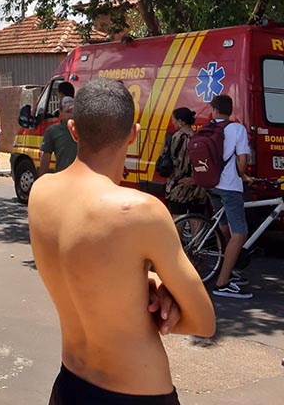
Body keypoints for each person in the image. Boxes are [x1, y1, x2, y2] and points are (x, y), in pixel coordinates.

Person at [29, 78, 214, 404]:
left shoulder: (41, 193)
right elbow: (202, 321)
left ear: (73, 129)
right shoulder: (140, 211)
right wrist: (161, 296)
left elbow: (91, 270)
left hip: (70, 383)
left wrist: (150, 279)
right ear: (133, 133)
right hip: (136, 392)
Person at [206, 95, 253, 298]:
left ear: (214, 110)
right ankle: (222, 283)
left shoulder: (207, 129)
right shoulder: (237, 129)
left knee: (224, 228)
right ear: (231, 110)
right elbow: (242, 160)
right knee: (239, 234)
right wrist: (243, 176)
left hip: (210, 184)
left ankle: (224, 268)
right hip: (230, 187)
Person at [165, 107, 208, 216]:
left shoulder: (177, 137)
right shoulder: (200, 137)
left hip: (180, 184)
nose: (172, 122)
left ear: (180, 121)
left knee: (178, 219)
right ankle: (198, 234)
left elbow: (173, 159)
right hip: (198, 186)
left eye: (173, 120)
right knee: (197, 219)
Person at [37, 96, 76, 177]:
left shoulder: (85, 129)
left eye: (74, 111)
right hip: (63, 177)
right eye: (68, 111)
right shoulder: (53, 131)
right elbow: (45, 158)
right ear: (61, 112)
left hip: (83, 179)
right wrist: (42, 179)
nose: (72, 114)